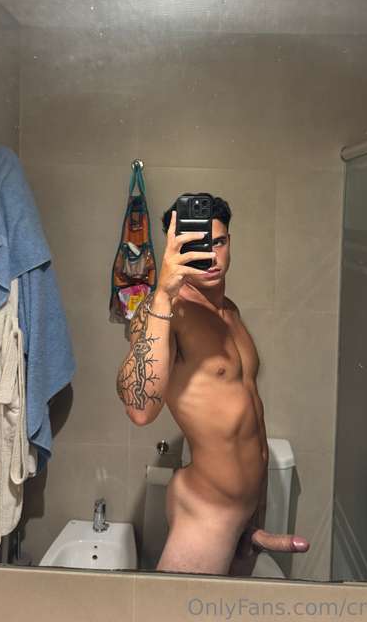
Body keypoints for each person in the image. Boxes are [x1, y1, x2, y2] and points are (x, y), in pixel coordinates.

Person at [116, 195, 309, 575]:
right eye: (195, 246)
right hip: (206, 513)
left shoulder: (230, 312)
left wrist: (256, 515)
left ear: (229, 243)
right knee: (175, 606)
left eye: (217, 242)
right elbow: (139, 409)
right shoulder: (165, 313)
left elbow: (250, 416)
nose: (210, 255)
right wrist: (163, 294)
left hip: (244, 511)